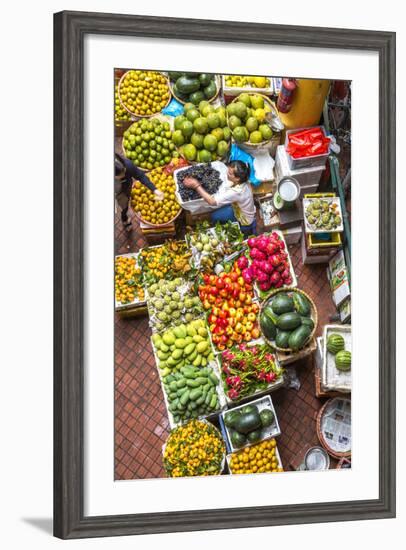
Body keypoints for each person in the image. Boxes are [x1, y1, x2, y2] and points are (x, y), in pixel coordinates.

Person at [182, 160, 257, 236]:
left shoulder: (237, 192)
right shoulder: (245, 180)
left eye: (230, 174)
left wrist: (196, 185)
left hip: (244, 220)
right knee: (215, 216)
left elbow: (212, 201)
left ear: (237, 178)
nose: (227, 173)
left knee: (215, 217)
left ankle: (244, 231)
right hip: (239, 209)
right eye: (228, 170)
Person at [114, 153, 164, 231]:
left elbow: (140, 176)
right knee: (122, 206)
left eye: (124, 170)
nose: (124, 174)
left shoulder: (128, 165)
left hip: (125, 190)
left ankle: (125, 217)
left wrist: (154, 189)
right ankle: (125, 220)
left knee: (125, 206)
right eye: (121, 174)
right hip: (117, 194)